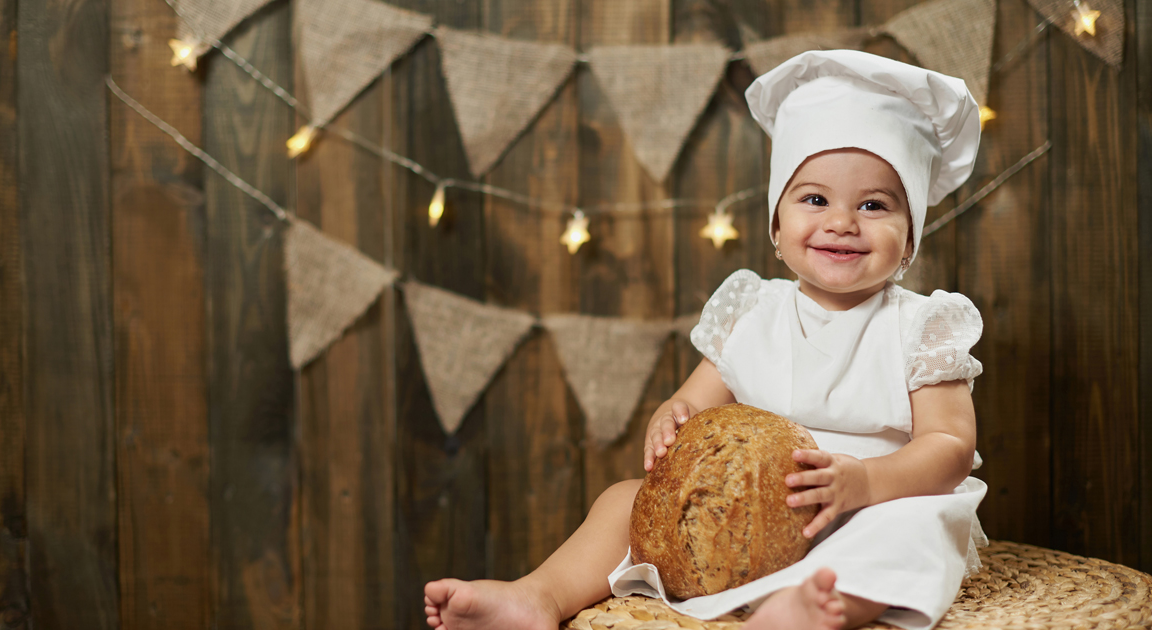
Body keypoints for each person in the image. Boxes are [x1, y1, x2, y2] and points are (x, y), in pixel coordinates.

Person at [423, 49, 989, 630]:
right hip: (743, 512)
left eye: (873, 205)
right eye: (815, 199)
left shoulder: (920, 326)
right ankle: (538, 596)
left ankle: (809, 608)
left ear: (910, 236)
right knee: (623, 501)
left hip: (869, 505)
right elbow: (693, 403)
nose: (842, 222)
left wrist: (867, 482)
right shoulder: (752, 312)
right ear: (776, 223)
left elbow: (949, 445)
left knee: (904, 536)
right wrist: (671, 418)